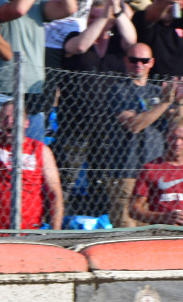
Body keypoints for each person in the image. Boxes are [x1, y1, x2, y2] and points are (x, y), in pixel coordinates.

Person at [56, 0, 135, 218]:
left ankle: (97, 222)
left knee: (102, 180)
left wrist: (116, 11)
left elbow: (132, 40)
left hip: (108, 128)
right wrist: (101, 19)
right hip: (75, 125)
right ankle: (56, 222)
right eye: (92, 17)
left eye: (101, 17)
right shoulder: (75, 37)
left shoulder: (118, 46)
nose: (96, 21)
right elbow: (80, 47)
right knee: (67, 179)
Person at [106, 42, 183, 227]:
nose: (139, 65)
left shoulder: (157, 91)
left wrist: (179, 102)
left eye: (144, 60)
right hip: (126, 172)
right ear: (125, 61)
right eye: (133, 60)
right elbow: (134, 125)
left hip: (154, 175)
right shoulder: (118, 89)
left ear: (151, 63)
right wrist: (164, 104)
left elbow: (179, 126)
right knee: (126, 231)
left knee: (151, 232)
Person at [0, 0, 77, 141]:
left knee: (34, 151)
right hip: (4, 88)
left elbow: (69, 8)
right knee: (0, 150)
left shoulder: (36, 4)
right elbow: (18, 10)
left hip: (33, 88)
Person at [0, 100, 62, 230]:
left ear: (26, 122)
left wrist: (56, 232)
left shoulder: (40, 150)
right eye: (4, 117)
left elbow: (55, 193)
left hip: (29, 230)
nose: (9, 120)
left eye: (15, 116)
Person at [130, 117, 183, 226]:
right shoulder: (151, 168)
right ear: (167, 137)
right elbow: (134, 209)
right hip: (161, 233)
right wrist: (163, 217)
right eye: (174, 137)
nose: (177, 143)